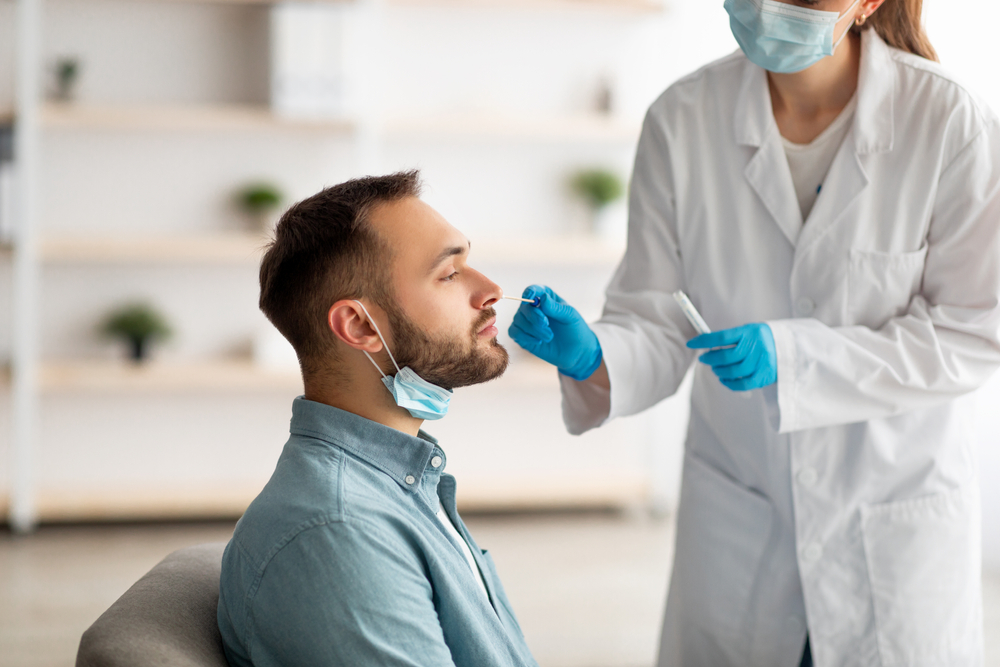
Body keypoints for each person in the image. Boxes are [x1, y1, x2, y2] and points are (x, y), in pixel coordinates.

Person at [508, 1, 1000, 666]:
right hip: (741, 518)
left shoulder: (946, 123)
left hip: (891, 525)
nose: (775, 5)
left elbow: (973, 332)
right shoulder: (681, 120)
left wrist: (795, 358)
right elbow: (656, 320)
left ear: (868, 5)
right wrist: (598, 354)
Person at [217, 171, 538, 667]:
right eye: (449, 274)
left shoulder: (403, 484)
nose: (492, 290)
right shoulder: (340, 532)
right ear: (361, 325)